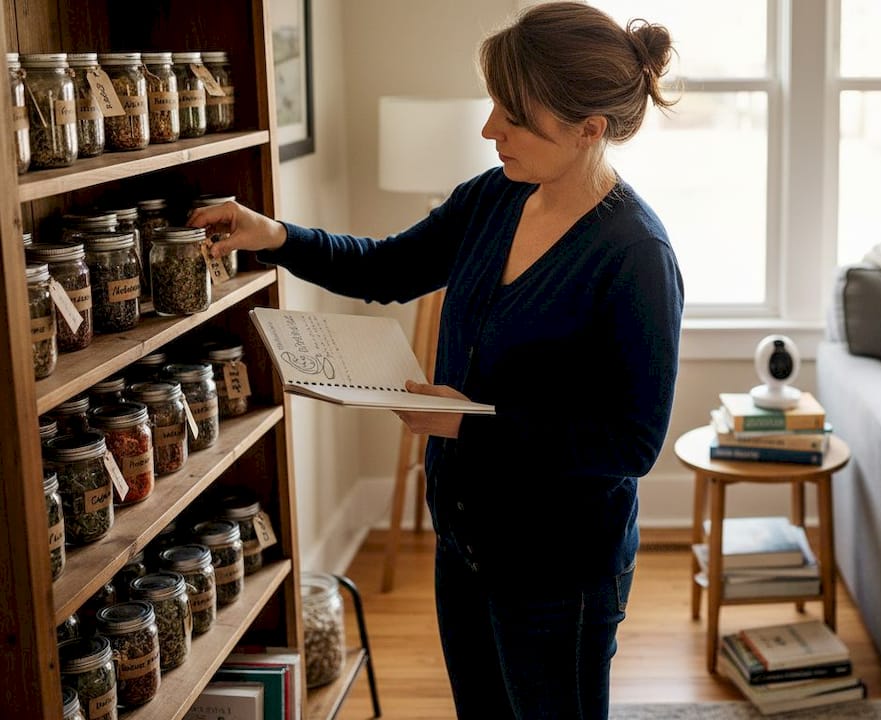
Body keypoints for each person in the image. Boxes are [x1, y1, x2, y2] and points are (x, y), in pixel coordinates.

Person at [189, 2, 683, 717]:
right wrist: (275, 235)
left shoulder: (636, 257)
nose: (490, 129)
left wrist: (466, 425)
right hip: (463, 545)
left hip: (559, 572)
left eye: (512, 116)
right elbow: (386, 267)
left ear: (589, 129)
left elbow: (630, 444)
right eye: (494, 106)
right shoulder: (494, 198)